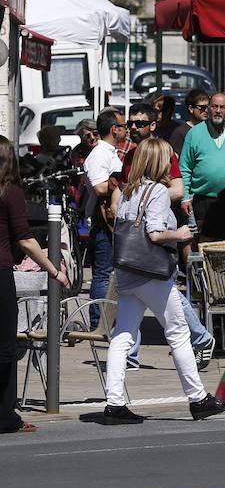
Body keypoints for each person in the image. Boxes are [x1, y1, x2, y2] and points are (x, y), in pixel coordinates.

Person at [102, 138, 225, 425]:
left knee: (123, 336)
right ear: (158, 162)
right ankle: (198, 399)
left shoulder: (126, 192)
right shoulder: (158, 191)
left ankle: (114, 403)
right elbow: (155, 234)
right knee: (178, 333)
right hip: (152, 274)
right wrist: (182, 234)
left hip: (127, 271)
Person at [0, 136, 70, 434]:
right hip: (0, 274)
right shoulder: (10, 191)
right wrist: (55, 271)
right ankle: (6, 417)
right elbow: (26, 240)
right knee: (5, 348)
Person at [83, 110, 130, 333]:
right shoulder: (99, 154)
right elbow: (100, 186)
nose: (127, 129)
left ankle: (105, 322)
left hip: (111, 221)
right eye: (124, 125)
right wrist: (120, 184)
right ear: (114, 129)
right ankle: (97, 324)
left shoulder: (108, 152)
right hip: (103, 223)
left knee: (108, 274)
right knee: (102, 274)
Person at [180, 92, 225, 231]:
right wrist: (184, 198)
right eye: (214, 106)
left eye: (222, 107)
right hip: (203, 200)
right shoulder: (195, 133)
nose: (218, 111)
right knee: (205, 242)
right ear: (208, 109)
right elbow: (184, 168)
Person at [168, 89, 209, 157]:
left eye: (208, 106)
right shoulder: (180, 132)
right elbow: (174, 160)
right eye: (202, 107)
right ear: (191, 109)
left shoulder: (211, 129)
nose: (206, 110)